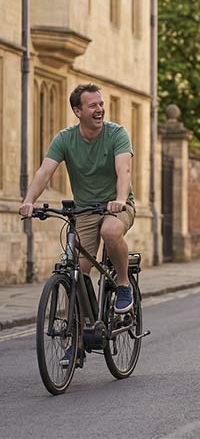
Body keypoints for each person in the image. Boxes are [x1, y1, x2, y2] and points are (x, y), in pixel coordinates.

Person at [19, 83, 136, 367]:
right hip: (84, 211)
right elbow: (45, 171)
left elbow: (124, 169)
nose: (99, 109)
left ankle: (122, 283)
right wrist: (29, 200)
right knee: (76, 273)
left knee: (110, 231)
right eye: (92, 105)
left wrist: (120, 199)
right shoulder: (65, 139)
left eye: (101, 104)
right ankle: (78, 340)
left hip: (116, 207)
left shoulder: (116, 133)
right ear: (77, 111)